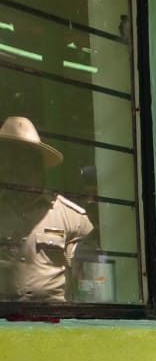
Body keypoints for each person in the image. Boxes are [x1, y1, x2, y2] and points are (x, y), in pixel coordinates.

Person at [0, 115, 92, 303]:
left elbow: (90, 281)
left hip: (52, 323)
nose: (14, 169)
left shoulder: (73, 218)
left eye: (23, 161)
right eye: (8, 160)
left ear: (38, 167)